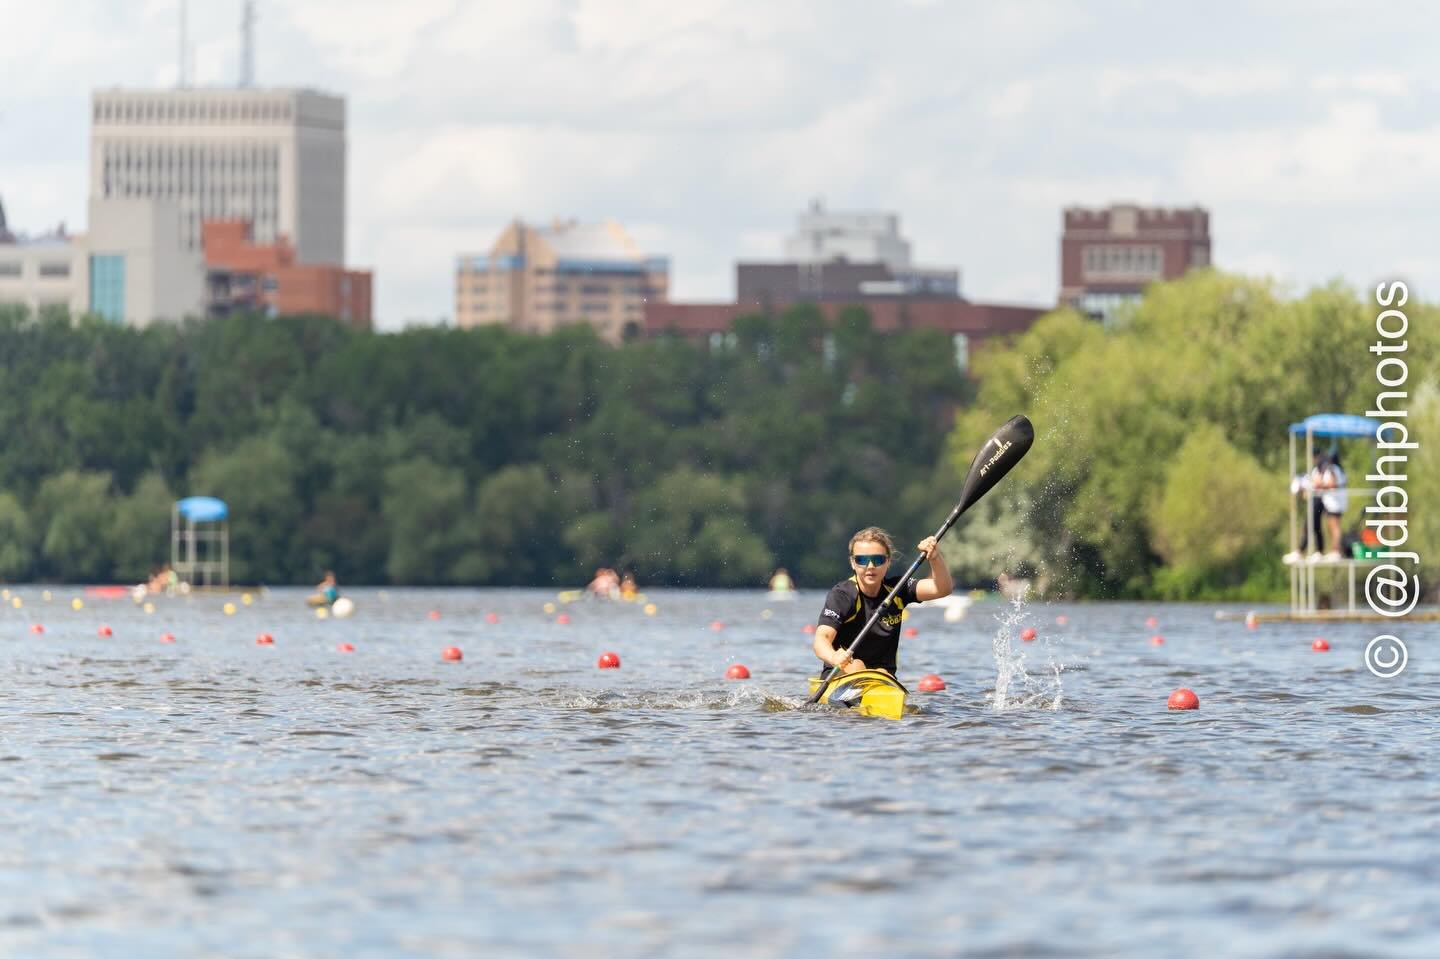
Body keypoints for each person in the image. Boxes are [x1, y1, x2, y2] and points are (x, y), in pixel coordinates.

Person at [812, 526, 952, 678]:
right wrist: (834, 657)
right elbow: (821, 639)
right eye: (862, 560)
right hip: (842, 673)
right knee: (857, 665)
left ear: (888, 561)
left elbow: (942, 589)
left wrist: (934, 558)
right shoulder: (842, 595)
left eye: (878, 560)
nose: (870, 566)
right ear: (853, 563)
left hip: (883, 678)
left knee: (882, 672)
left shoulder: (898, 589)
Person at [1317, 451, 1347, 560]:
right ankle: (1337, 550)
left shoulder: (1332, 469)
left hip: (1334, 502)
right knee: (1334, 526)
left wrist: (1320, 485)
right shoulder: (1340, 469)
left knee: (1334, 527)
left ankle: (1336, 550)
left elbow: (1332, 483)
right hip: (1338, 502)